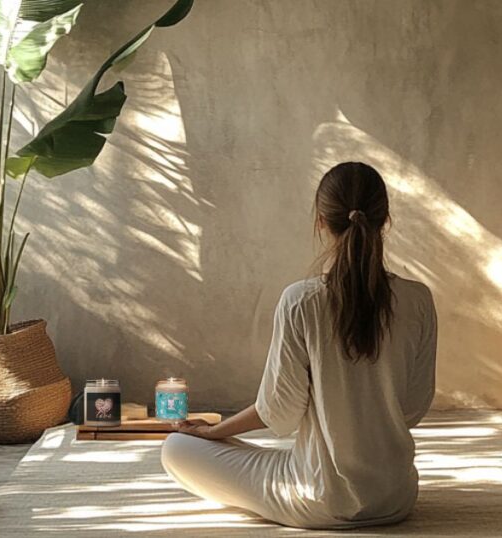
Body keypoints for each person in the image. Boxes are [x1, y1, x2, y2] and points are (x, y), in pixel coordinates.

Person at [161, 161, 437, 529]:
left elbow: (279, 411)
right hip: (396, 498)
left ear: (321, 222)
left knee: (177, 448)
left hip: (317, 499)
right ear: (385, 220)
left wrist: (211, 432)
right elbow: (413, 408)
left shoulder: (301, 301)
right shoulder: (418, 300)